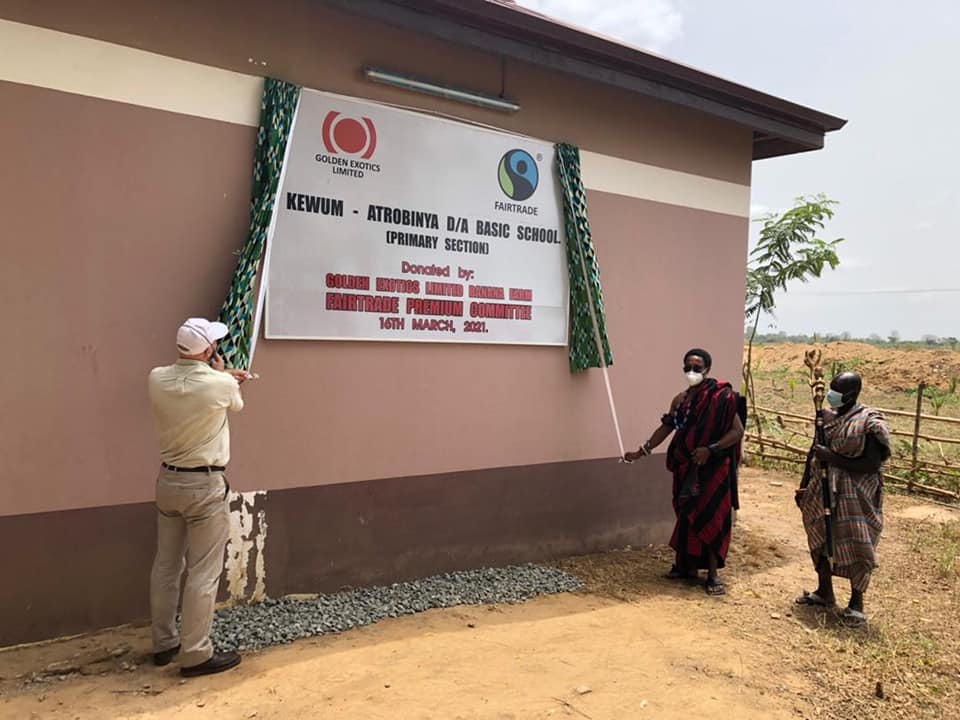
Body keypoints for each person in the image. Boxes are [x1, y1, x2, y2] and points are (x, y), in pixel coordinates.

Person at [148, 318, 252, 677]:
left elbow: (196, 387)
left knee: (166, 565)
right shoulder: (219, 383)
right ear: (208, 351)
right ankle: (195, 652)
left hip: (168, 480)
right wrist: (225, 376)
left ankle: (164, 643)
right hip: (204, 484)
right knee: (203, 572)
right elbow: (233, 404)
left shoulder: (157, 378)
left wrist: (219, 377)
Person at [625, 349, 744, 596]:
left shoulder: (721, 398)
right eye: (687, 367)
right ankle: (686, 567)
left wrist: (710, 450)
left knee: (710, 517)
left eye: (697, 367)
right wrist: (641, 451)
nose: (692, 372)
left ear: (708, 369)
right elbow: (667, 427)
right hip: (686, 466)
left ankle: (712, 575)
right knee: (688, 515)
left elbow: (736, 432)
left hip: (712, 468)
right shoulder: (680, 400)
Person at [795, 372, 890, 627]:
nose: (832, 394)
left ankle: (856, 604)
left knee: (857, 544)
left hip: (855, 497)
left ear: (852, 394)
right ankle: (825, 591)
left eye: (838, 390)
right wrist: (804, 485)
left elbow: (871, 464)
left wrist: (833, 458)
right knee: (821, 538)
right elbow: (813, 452)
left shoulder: (867, 422)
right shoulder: (825, 418)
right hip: (821, 489)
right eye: (832, 388)